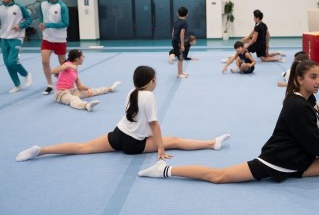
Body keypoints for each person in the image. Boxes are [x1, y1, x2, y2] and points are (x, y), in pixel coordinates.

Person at [137, 59, 319, 183]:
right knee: (219, 176)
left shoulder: (309, 100)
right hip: (277, 161)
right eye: (313, 77)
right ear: (299, 79)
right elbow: (313, 141)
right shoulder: (296, 105)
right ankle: (165, 170)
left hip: (299, 160)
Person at [16, 65, 231, 161]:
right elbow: (155, 126)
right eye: (155, 79)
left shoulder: (132, 92)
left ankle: (41, 150)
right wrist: (161, 149)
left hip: (118, 135)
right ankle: (212, 143)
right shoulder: (149, 96)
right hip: (133, 144)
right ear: (151, 82)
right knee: (174, 140)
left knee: (83, 147)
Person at [52, 49, 121, 112]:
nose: (83, 58)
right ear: (77, 59)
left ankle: (110, 89)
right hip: (61, 93)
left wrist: (88, 89)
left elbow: (79, 86)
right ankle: (86, 105)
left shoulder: (75, 69)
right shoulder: (66, 65)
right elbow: (52, 71)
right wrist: (66, 66)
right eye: (83, 56)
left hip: (72, 90)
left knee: (93, 91)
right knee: (73, 99)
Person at [0, 0, 33, 93]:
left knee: (12, 61)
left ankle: (26, 74)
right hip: (3, 38)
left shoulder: (19, 7)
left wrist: (20, 26)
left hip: (16, 37)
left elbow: (29, 19)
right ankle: (17, 85)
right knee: (7, 63)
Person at [38, 0, 69, 95]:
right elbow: (42, 19)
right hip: (47, 38)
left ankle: (64, 83)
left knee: (63, 64)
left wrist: (48, 25)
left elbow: (65, 23)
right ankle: (49, 85)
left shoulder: (62, 6)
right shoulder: (42, 5)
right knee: (45, 61)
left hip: (60, 39)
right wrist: (42, 24)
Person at [171, 6, 189, 78]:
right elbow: (182, 33)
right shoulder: (184, 23)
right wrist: (182, 44)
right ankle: (179, 73)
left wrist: (173, 39)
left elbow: (173, 31)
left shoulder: (176, 21)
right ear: (187, 14)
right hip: (178, 42)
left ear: (177, 14)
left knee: (180, 58)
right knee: (180, 58)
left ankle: (181, 72)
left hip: (174, 40)